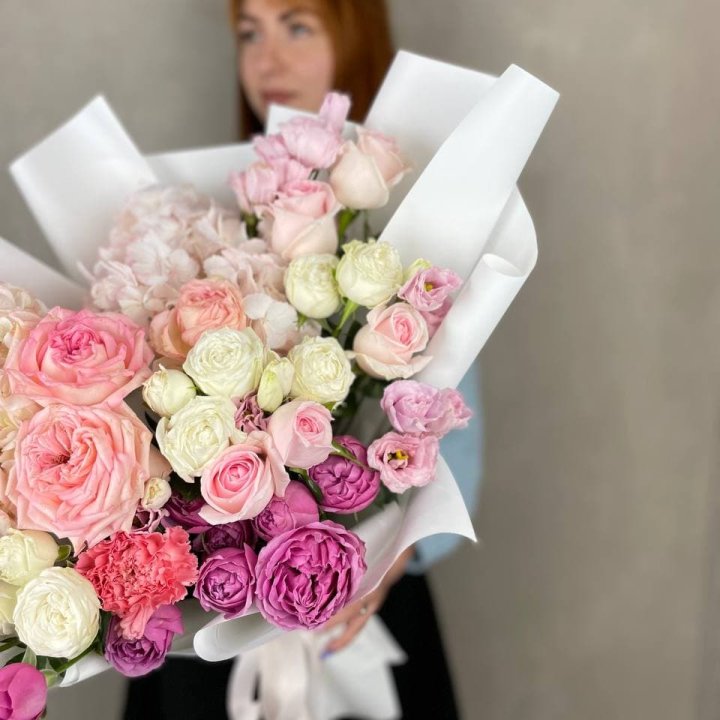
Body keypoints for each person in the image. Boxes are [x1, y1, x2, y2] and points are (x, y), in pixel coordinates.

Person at [124, 1, 482, 717]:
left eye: (296, 26)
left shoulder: (415, 232)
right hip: (212, 607)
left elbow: (456, 447)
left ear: (355, 37)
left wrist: (377, 561)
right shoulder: (209, 219)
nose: (267, 59)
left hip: (361, 599)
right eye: (249, 32)